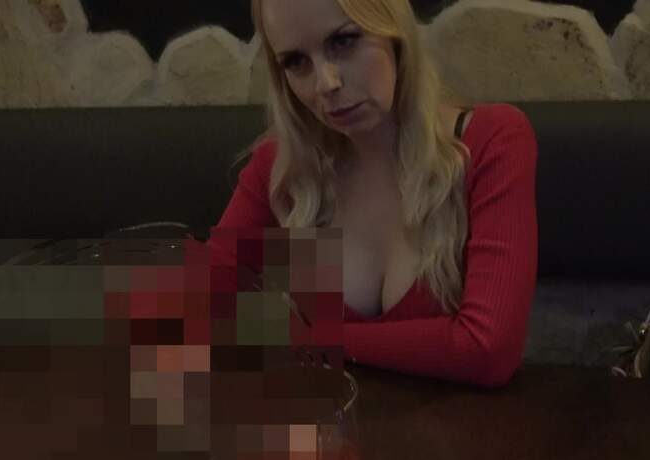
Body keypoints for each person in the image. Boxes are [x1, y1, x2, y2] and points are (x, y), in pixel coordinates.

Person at [210, 0, 539, 388]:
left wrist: (306, 340)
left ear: (394, 31)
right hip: (325, 424)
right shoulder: (282, 167)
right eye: (296, 62)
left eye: (344, 41)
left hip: (458, 427)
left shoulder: (491, 141)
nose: (326, 84)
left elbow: (488, 350)